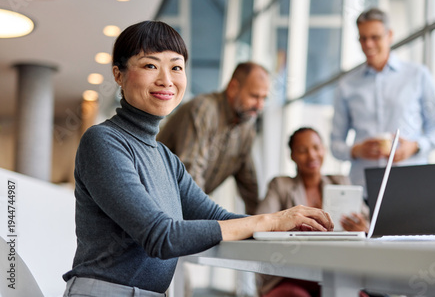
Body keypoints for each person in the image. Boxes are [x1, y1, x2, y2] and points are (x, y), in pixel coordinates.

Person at [62, 21, 333, 297]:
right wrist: (268, 222)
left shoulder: (167, 159)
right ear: (118, 75)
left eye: (176, 67)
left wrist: (288, 225)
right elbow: (161, 235)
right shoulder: (103, 142)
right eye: (150, 65)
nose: (166, 80)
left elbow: (218, 216)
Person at [331, 7, 435, 194]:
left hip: (412, 185)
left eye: (375, 37)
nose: (368, 44)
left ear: (390, 35)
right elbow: (336, 144)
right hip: (364, 187)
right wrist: (356, 150)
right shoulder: (346, 85)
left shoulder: (418, 76)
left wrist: (415, 147)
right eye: (363, 38)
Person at [256, 127, 367, 297]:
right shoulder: (280, 185)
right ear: (292, 155)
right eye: (302, 150)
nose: (312, 155)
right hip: (290, 273)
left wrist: (363, 228)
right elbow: (260, 223)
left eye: (316, 148)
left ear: (324, 150)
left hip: (335, 270)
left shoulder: (340, 182)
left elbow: (369, 225)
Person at [156, 61, 269, 214]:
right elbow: (191, 174)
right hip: (158, 206)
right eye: (254, 96)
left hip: (186, 209)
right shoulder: (203, 110)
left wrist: (260, 223)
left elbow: (249, 183)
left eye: (264, 98)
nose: (260, 105)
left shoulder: (246, 127)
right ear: (233, 88)